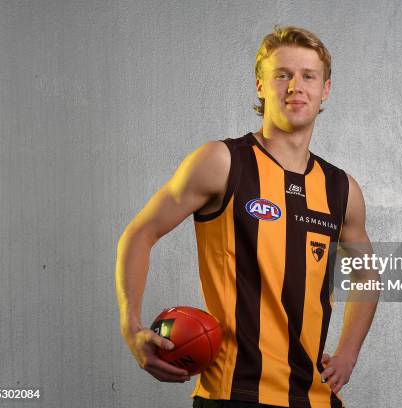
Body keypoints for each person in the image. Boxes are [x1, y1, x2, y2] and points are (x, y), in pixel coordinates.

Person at [115, 25, 378, 408]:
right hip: (234, 394)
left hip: (315, 398)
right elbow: (139, 234)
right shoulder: (221, 162)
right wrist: (131, 328)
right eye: (282, 75)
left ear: (326, 90)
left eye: (308, 76)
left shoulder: (342, 189)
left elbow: (367, 273)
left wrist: (348, 353)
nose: (295, 86)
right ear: (260, 86)